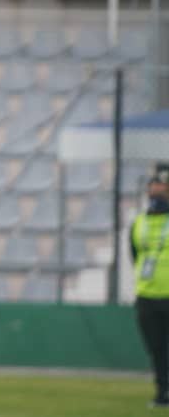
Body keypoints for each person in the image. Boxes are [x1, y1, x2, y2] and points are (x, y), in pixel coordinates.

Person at [132, 163, 169, 409]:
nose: (156, 190)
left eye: (162, 186)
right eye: (153, 185)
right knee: (156, 349)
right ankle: (162, 391)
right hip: (147, 296)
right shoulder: (139, 222)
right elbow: (134, 255)